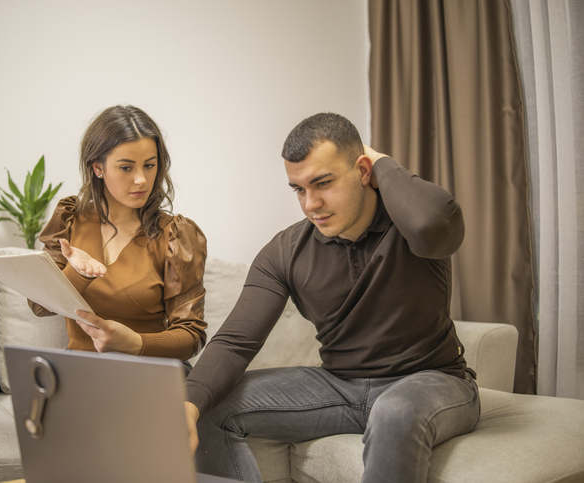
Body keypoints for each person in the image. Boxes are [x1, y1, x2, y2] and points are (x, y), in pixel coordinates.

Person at [183, 112, 480, 482]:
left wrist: (379, 160)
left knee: (394, 410)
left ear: (363, 171)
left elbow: (433, 224)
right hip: (340, 387)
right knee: (207, 406)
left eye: (323, 183)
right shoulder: (285, 251)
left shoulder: (409, 223)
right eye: (299, 189)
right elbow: (236, 342)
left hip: (431, 380)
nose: (311, 204)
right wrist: (189, 404)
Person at [29, 105, 207, 362]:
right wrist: (77, 274)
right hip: (81, 370)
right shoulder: (69, 220)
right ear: (98, 168)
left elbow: (192, 335)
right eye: (126, 168)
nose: (141, 179)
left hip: (149, 372)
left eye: (149, 165)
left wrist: (135, 343)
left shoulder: (175, 235)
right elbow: (38, 306)